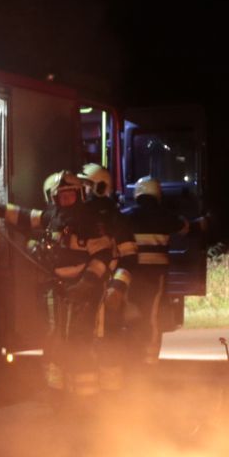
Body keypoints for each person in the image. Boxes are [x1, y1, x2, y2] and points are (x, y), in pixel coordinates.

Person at [0, 170, 112, 400]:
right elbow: (22, 215)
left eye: (69, 196)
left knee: (79, 340)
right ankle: (58, 394)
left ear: (79, 194)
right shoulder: (52, 216)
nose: (65, 200)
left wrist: (86, 285)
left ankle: (86, 398)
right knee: (54, 338)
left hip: (84, 290)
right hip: (57, 287)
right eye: (61, 197)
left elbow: (103, 256)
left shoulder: (91, 222)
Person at [120, 176, 204, 364]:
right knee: (152, 317)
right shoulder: (166, 216)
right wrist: (204, 222)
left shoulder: (125, 216)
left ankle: (131, 357)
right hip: (156, 277)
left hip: (131, 274)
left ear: (137, 193)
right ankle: (149, 361)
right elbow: (187, 229)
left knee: (130, 314)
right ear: (157, 194)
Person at [81, 164, 137, 391]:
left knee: (111, 340)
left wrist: (117, 288)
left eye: (86, 186)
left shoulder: (115, 219)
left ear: (99, 187)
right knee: (86, 341)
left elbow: (130, 257)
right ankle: (89, 398)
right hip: (90, 288)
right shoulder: (82, 216)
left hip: (109, 291)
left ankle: (112, 396)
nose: (83, 192)